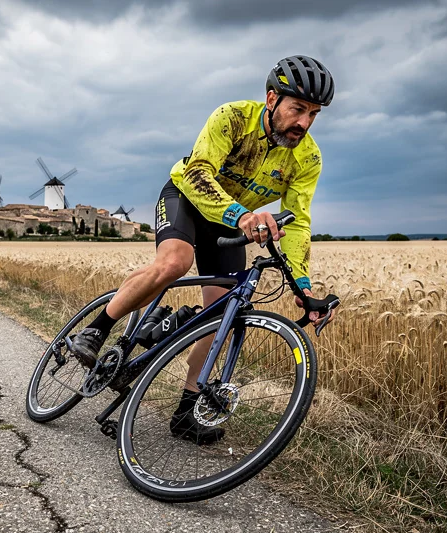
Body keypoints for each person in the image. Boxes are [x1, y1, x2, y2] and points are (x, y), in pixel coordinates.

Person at [71, 55, 338, 444]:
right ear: (271, 99)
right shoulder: (231, 118)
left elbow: (297, 221)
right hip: (188, 197)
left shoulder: (307, 157)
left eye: (313, 114)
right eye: (298, 109)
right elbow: (198, 175)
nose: (304, 122)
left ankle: (186, 411)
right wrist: (242, 216)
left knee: (223, 315)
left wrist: (304, 286)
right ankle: (97, 331)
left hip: (230, 220)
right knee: (175, 263)